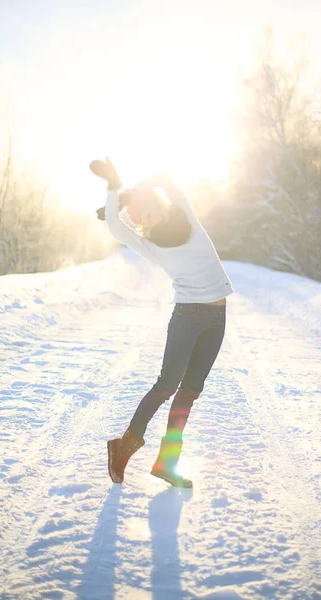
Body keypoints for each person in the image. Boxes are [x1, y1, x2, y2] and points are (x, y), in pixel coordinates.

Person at [90, 157, 234, 488]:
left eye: (152, 210)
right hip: (188, 317)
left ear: (162, 206)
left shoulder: (189, 219)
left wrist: (132, 194)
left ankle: (166, 464)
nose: (151, 218)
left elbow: (165, 176)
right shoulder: (151, 244)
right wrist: (114, 188)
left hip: (216, 317)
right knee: (167, 386)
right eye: (144, 218)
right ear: (142, 225)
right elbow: (114, 227)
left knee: (191, 391)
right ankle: (124, 445)